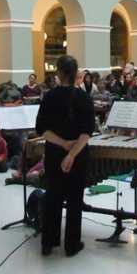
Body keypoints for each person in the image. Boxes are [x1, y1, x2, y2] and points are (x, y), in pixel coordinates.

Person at [36, 55, 95, 257]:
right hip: (78, 155)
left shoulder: (49, 97)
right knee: (74, 200)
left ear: (58, 73)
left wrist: (63, 145)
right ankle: (71, 244)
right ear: (77, 73)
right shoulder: (84, 98)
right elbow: (87, 132)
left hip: (53, 153)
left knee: (53, 196)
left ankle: (48, 242)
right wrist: (72, 154)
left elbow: (41, 130)